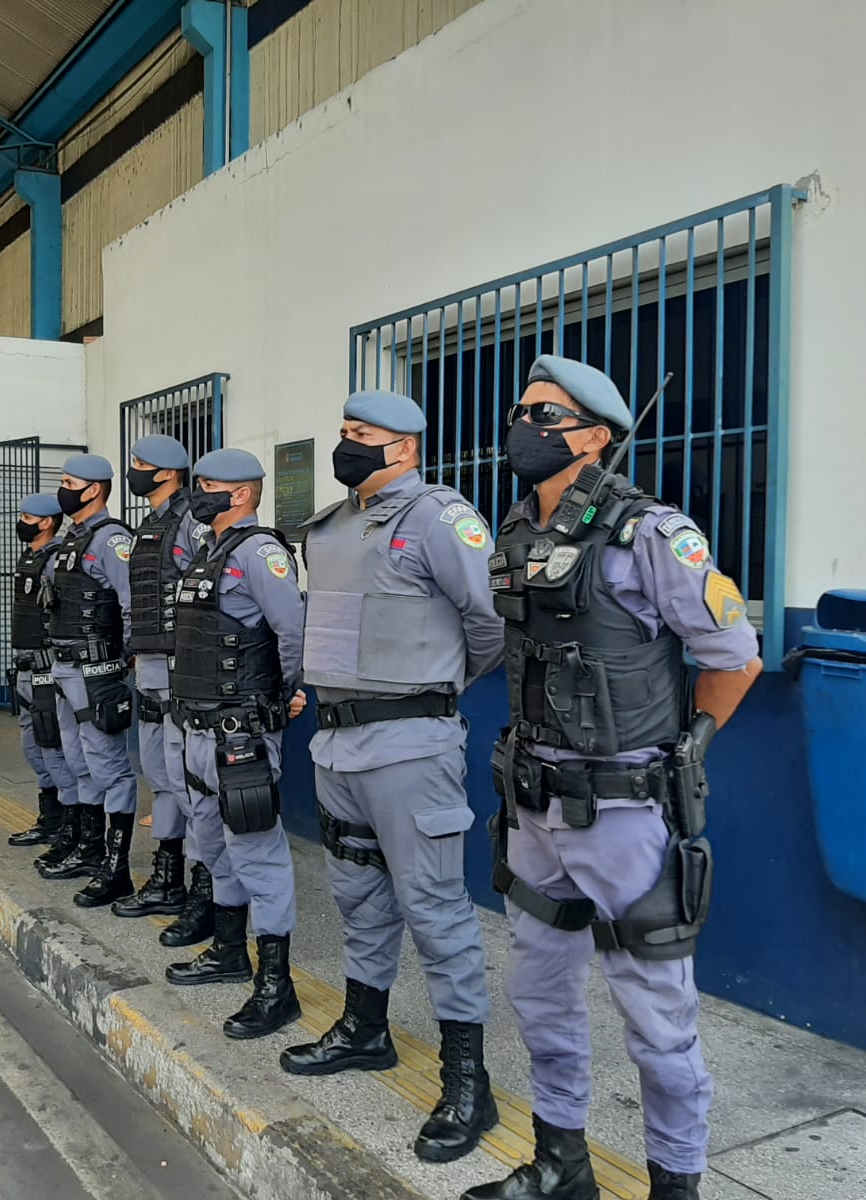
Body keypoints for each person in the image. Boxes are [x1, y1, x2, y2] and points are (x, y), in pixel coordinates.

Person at [462, 357, 760, 1200]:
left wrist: (686, 750)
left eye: (543, 414)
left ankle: (677, 1184)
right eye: (521, 409)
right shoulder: (517, 531)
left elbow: (733, 660)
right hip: (532, 804)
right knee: (539, 995)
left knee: (658, 1019)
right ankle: (561, 1164)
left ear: (593, 437)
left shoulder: (652, 535)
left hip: (625, 810)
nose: (523, 425)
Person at [285, 389, 505, 1163]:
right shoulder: (333, 525)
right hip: (336, 746)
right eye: (343, 431)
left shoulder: (440, 518)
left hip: (412, 746)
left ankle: (467, 1081)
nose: (347, 444)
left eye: (363, 435)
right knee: (359, 899)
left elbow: (491, 624)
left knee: (437, 911)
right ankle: (365, 1028)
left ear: (405, 447)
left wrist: (431, 690)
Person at [164, 449, 307, 1038]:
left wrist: (284, 693)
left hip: (239, 733)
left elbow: (293, 631)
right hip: (197, 728)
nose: (197, 492)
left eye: (208, 485)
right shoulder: (209, 552)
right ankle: (228, 951)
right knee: (213, 845)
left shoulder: (259, 552)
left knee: (257, 854)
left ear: (242, 494)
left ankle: (277, 987)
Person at [109, 435, 214, 940]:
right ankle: (167, 877)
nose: (134, 471)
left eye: (141, 465)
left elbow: (209, 593)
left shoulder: (193, 521)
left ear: (169, 472)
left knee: (189, 782)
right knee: (160, 776)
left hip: (182, 669)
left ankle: (201, 888)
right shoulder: (149, 525)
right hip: (150, 667)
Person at [35, 453, 139, 909]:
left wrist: (127, 657)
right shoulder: (74, 538)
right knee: (80, 763)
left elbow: (133, 600)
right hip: (64, 668)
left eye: (70, 482)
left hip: (96, 672)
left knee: (110, 767)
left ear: (94, 489)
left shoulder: (111, 539)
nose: (64, 489)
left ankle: (116, 868)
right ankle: (90, 849)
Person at [5, 494, 80, 848]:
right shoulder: (31, 556)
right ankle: (50, 818)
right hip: (25, 666)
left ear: (47, 521)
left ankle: (70, 824)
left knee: (52, 743)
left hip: (46, 667)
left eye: (27, 516)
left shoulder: (55, 560)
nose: (21, 521)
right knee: (33, 745)